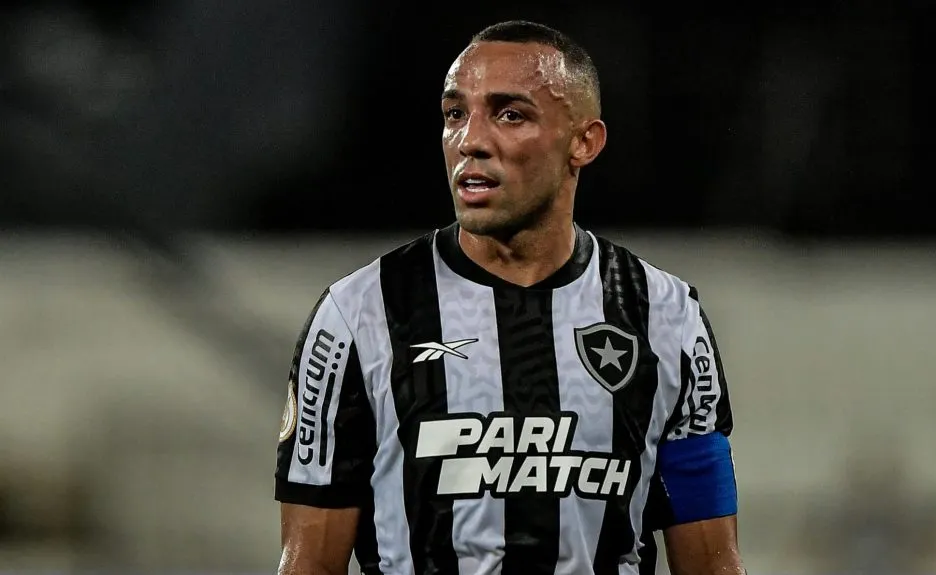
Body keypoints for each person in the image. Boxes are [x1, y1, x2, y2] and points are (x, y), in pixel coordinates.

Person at [275, 20, 744, 575]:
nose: (471, 140)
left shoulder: (667, 317)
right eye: (455, 113)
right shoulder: (356, 316)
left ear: (583, 142)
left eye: (509, 114)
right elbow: (307, 565)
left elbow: (713, 563)